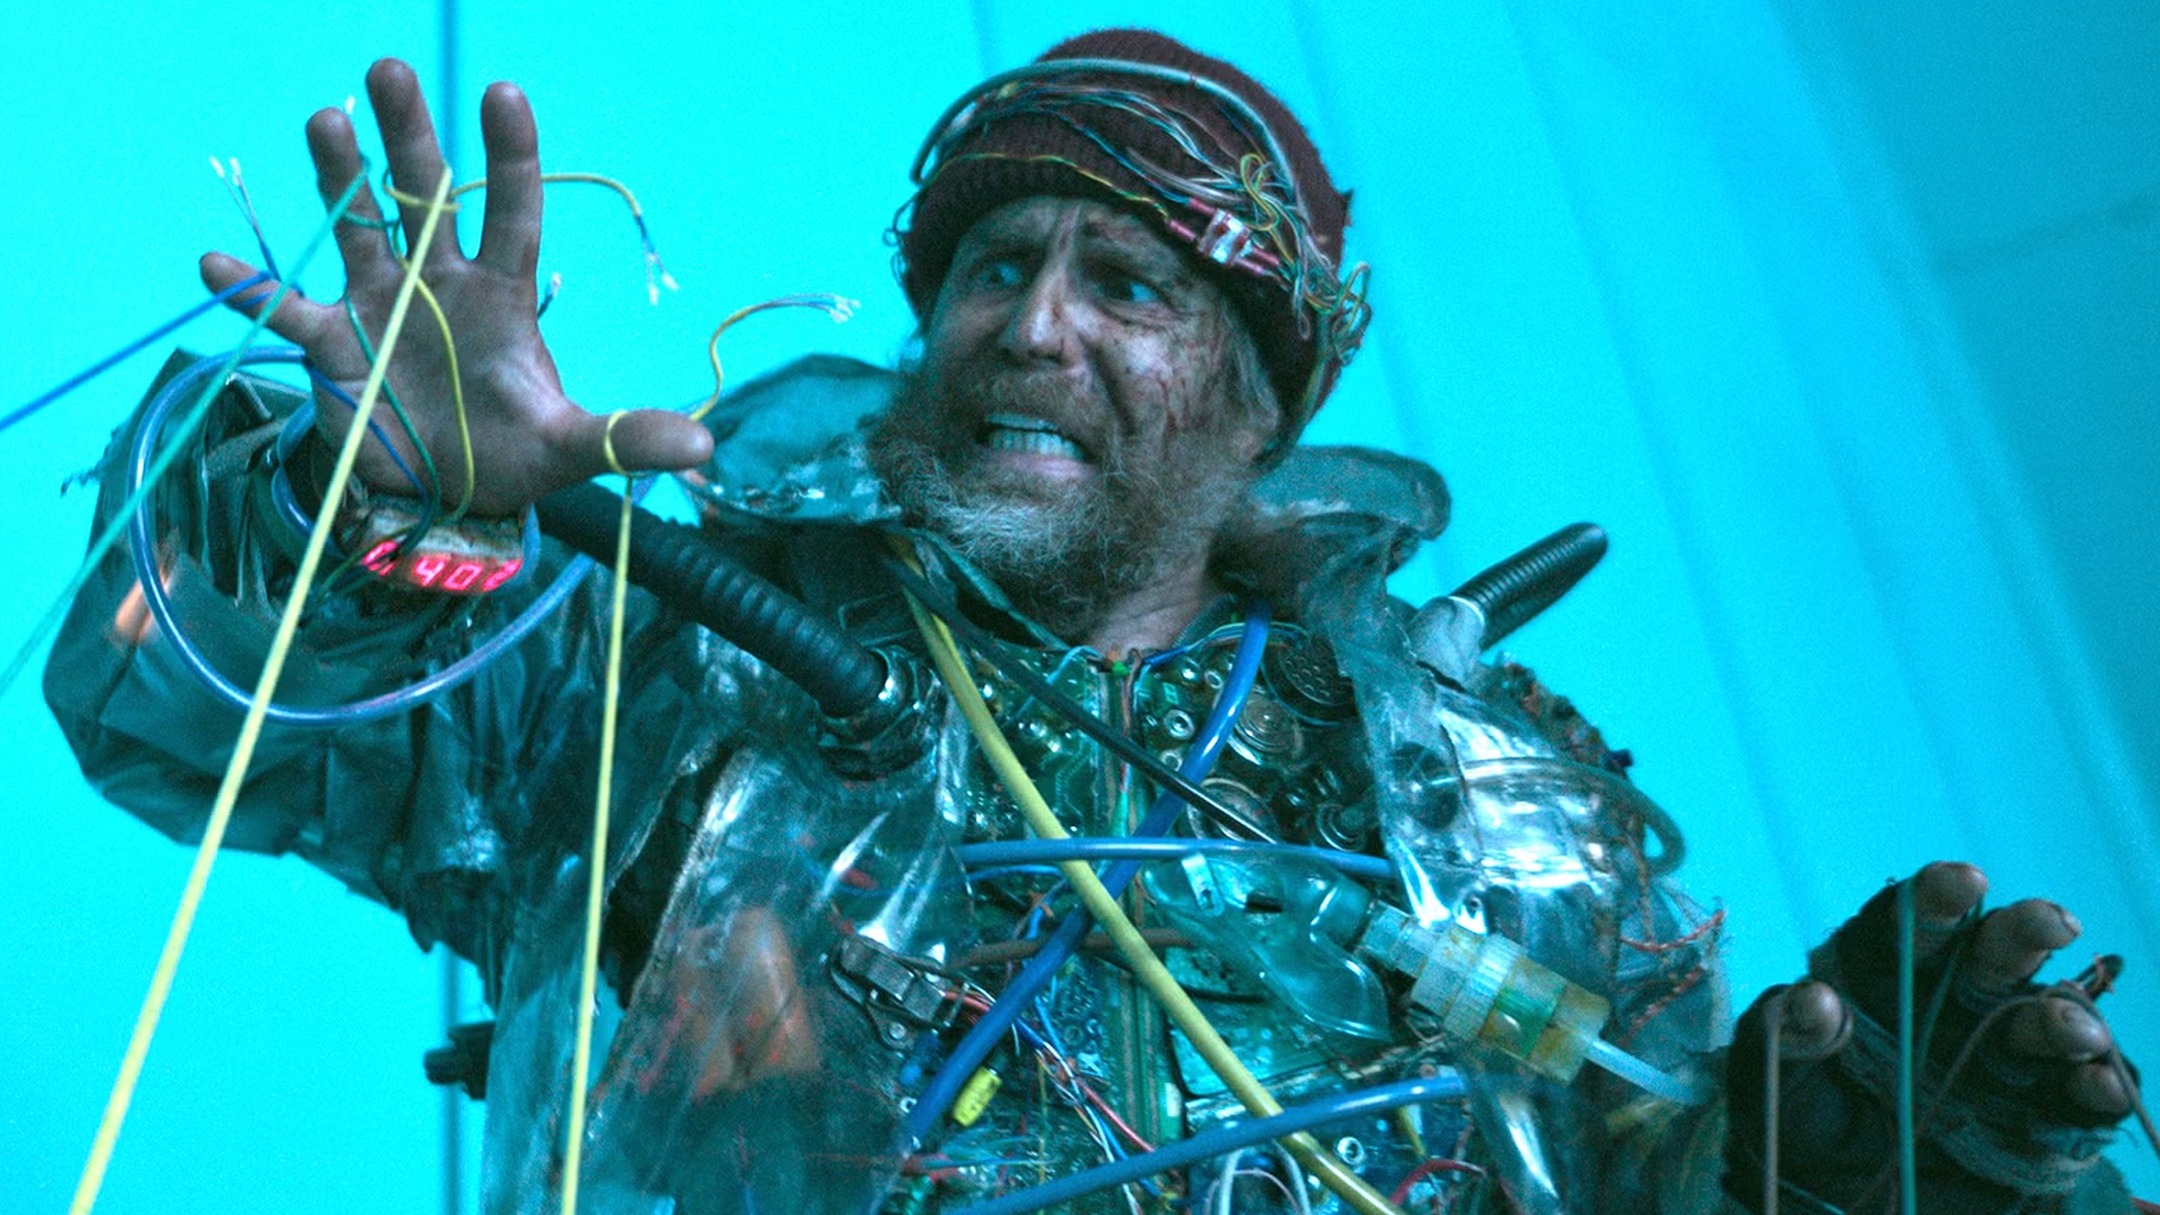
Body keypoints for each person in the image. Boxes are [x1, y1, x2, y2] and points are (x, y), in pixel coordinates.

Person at [45, 29, 2140, 1215]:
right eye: (990, 268)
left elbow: (1637, 1151)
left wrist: (1862, 1159)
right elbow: (173, 700)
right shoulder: (676, 660)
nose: (1031, 323)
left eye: (1129, 284)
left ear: (1260, 400)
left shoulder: (1492, 783)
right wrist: (350, 500)